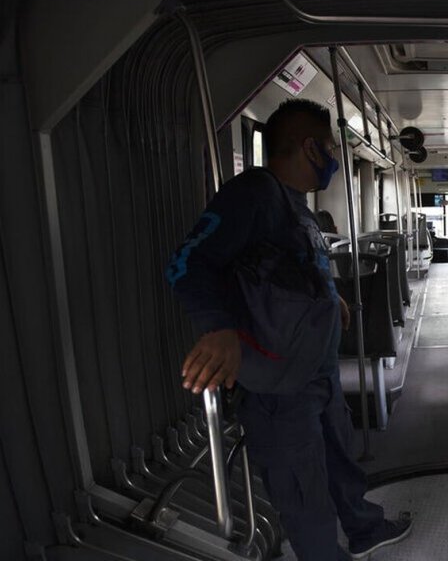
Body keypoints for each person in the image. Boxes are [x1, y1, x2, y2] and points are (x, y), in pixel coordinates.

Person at [166, 98, 412, 561]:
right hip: (278, 381)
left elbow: (288, 270)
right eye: (330, 147)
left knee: (339, 458)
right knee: (303, 490)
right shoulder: (253, 194)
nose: (334, 158)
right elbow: (187, 263)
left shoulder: (295, 206)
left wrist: (332, 299)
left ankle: (364, 528)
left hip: (317, 369)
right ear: (309, 147)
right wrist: (218, 328)